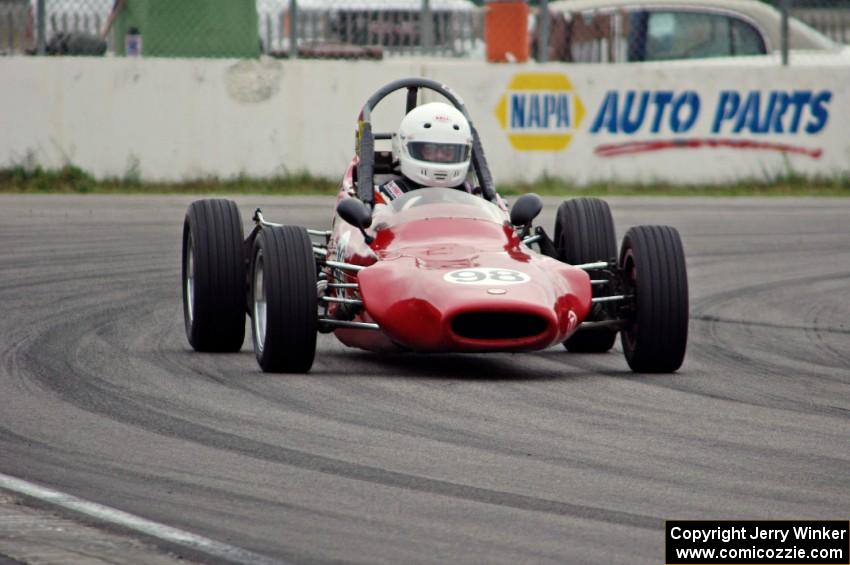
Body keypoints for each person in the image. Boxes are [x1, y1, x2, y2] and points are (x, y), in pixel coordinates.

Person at [375, 101, 475, 204]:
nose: (439, 156)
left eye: (448, 150)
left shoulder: (470, 196)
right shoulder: (389, 195)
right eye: (429, 149)